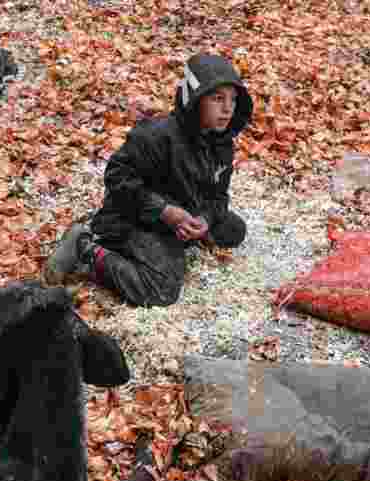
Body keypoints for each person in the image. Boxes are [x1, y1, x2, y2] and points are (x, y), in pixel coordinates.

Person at [43, 52, 254, 307]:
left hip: (184, 211)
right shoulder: (156, 136)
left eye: (232, 99)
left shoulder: (221, 144)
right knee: (162, 291)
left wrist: (205, 220)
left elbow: (218, 196)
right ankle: (86, 249)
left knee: (233, 230)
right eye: (217, 99)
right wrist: (165, 212)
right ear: (195, 100)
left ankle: (174, 237)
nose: (227, 108)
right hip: (136, 217)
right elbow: (117, 178)